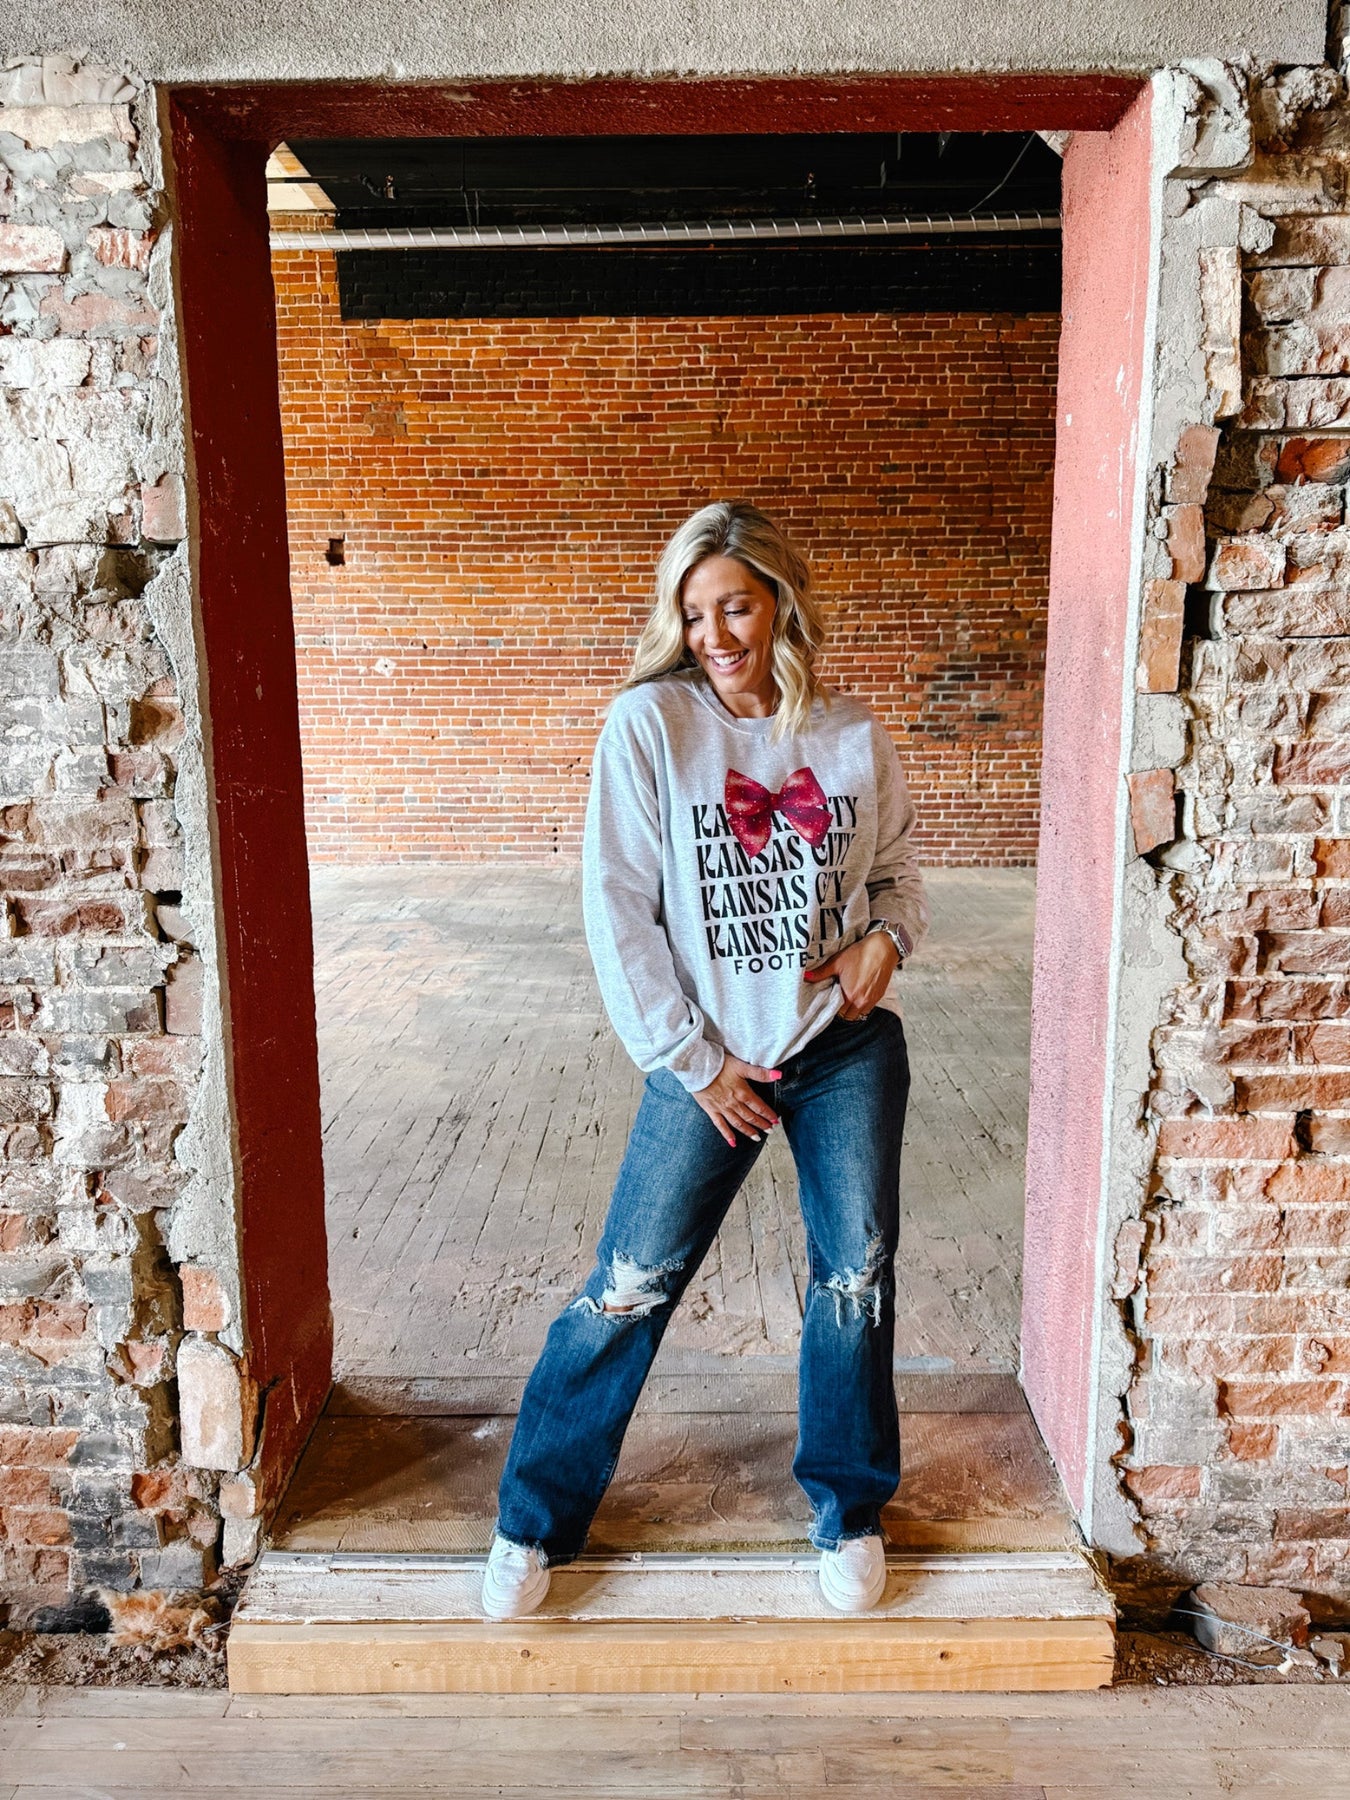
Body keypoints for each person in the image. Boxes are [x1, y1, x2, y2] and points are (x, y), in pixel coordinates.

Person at [481, 500, 928, 1621]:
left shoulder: (852, 735)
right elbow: (618, 911)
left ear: (779, 602)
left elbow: (899, 877)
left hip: (841, 1050)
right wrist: (692, 1060)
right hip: (709, 1062)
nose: (715, 634)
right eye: (693, 614)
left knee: (854, 1280)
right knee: (629, 1286)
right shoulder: (650, 728)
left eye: (734, 606)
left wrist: (886, 940)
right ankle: (533, 1521)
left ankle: (850, 1510)